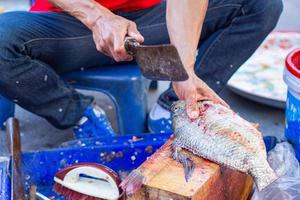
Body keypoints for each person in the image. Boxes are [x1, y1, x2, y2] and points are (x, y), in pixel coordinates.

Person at [0, 0, 283, 137]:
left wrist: (182, 71)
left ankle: (174, 106)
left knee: (261, 4)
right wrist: (98, 18)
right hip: (70, 22)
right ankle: (80, 114)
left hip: (149, 19)